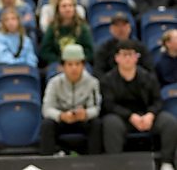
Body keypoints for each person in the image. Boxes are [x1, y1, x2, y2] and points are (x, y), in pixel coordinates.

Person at [101, 39, 177, 170]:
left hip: (146, 116)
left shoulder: (148, 77)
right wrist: (130, 116)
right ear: (117, 58)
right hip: (122, 118)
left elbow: (158, 100)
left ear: (136, 58)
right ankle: (115, 164)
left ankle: (167, 162)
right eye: (124, 55)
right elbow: (109, 105)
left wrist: (151, 115)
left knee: (169, 122)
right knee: (110, 123)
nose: (128, 58)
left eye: (131, 54)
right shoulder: (108, 80)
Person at [41, 43, 102, 155]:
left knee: (96, 123)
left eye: (77, 64)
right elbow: (47, 109)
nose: (74, 68)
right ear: (63, 66)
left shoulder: (92, 83)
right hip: (62, 120)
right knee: (47, 124)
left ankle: (95, 161)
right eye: (70, 64)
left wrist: (86, 114)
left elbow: (95, 108)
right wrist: (60, 116)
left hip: (82, 121)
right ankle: (47, 162)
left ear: (83, 65)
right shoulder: (54, 83)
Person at [93, 12, 154, 78]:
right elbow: (98, 71)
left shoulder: (140, 48)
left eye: (123, 25)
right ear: (111, 29)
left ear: (129, 27)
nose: (120, 29)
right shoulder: (104, 48)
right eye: (117, 26)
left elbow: (149, 71)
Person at [39, 0, 94, 65]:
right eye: (64, 6)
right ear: (58, 9)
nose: (67, 9)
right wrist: (61, 62)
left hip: (80, 63)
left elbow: (90, 52)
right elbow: (45, 51)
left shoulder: (83, 27)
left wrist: (77, 61)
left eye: (70, 6)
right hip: (58, 63)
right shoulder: (52, 28)